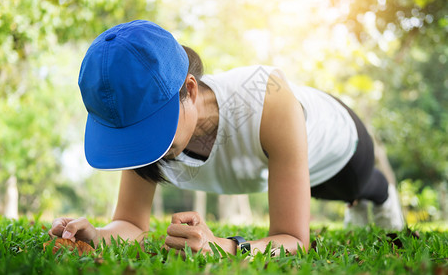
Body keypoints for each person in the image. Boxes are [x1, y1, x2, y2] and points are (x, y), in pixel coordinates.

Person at [49, 20, 405, 255]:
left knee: (352, 190)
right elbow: (130, 223)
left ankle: (379, 195)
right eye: (129, 134)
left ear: (188, 90)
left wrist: (224, 246)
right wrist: (98, 234)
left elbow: (295, 239)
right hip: (273, 166)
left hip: (339, 144)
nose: (144, 147)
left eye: (150, 128)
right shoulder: (144, 142)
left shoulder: (266, 98)